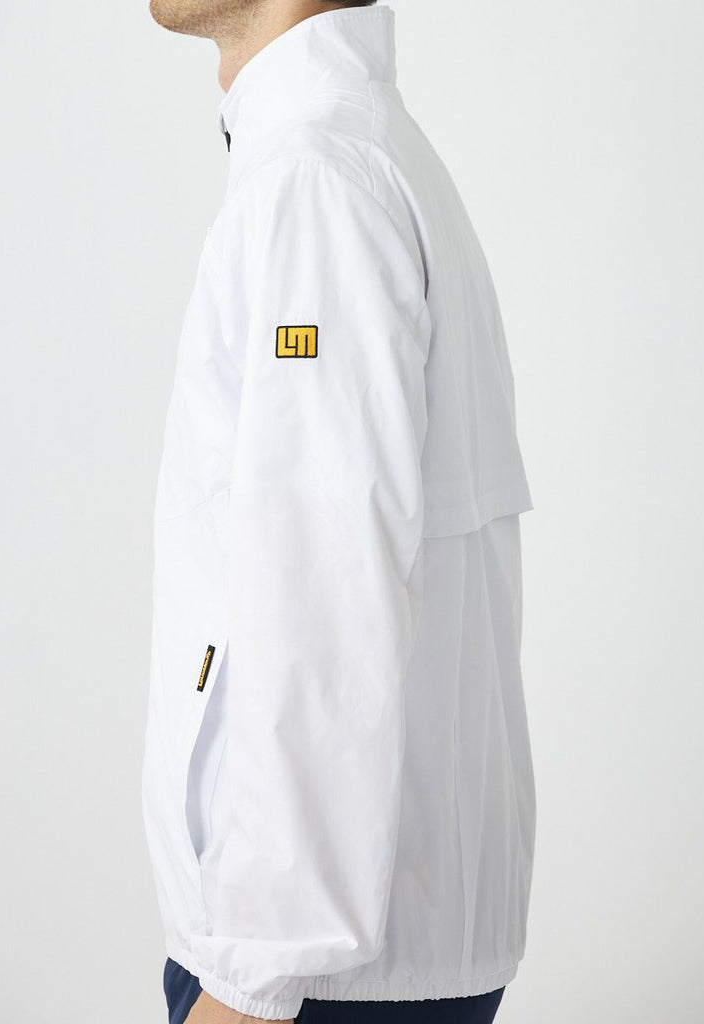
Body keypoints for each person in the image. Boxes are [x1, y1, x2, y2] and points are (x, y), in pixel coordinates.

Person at [141, 3, 536, 1022]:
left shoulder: (317, 179)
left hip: (311, 978)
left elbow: (323, 595)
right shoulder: (346, 155)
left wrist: (251, 984)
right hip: (348, 953)